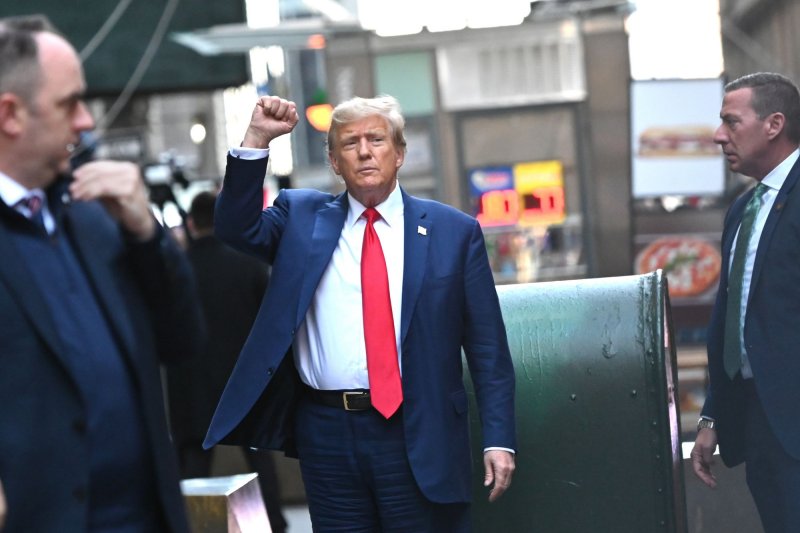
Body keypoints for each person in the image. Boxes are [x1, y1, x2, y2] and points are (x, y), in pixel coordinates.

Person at [203, 94, 517, 532]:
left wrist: (499, 438)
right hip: (327, 433)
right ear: (334, 162)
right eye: (350, 143)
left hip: (418, 428)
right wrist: (257, 138)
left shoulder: (453, 232)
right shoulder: (301, 218)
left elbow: (487, 349)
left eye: (377, 139)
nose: (365, 151)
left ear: (400, 153)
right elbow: (236, 228)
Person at [0, 15, 203, 532]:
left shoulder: (95, 217)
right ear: (10, 114)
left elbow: (183, 341)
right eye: (70, 103)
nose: (87, 121)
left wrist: (147, 236)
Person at [691, 72, 800, 533]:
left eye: (731, 122)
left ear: (773, 124)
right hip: (760, 428)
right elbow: (731, 321)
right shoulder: (742, 209)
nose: (719, 136)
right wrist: (712, 413)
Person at [166, 190, 287, 533]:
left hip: (191, 388)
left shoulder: (177, 269)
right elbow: (270, 323)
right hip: (242, 384)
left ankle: (186, 527)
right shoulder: (248, 265)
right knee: (259, 461)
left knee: (193, 467)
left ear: (190, 223)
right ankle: (273, 524)